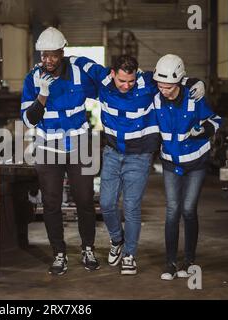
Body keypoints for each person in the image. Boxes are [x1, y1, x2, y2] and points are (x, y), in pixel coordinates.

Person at [75, 55, 205, 275]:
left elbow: (172, 78)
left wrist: (196, 82)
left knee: (132, 207)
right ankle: (117, 240)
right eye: (122, 81)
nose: (127, 85)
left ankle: (129, 255)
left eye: (131, 81)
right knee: (106, 204)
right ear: (112, 74)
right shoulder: (103, 79)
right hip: (113, 153)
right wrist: (58, 59)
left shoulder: (147, 83)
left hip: (140, 156)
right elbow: (80, 61)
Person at [20, 27, 100, 275]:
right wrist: (42, 95)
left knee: (85, 200)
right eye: (44, 55)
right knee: (51, 202)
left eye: (53, 55)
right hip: (48, 147)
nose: (48, 61)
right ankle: (59, 253)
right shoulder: (32, 79)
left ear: (62, 52)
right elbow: (29, 121)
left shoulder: (79, 73)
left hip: (80, 145)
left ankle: (88, 249)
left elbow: (108, 90)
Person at [151, 54, 222, 280]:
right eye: (161, 86)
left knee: (188, 210)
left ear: (180, 81)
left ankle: (189, 260)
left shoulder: (195, 97)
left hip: (196, 162)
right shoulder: (155, 100)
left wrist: (205, 130)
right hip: (171, 163)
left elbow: (216, 120)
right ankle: (170, 263)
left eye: (169, 87)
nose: (165, 91)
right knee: (172, 211)